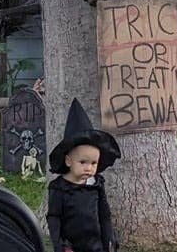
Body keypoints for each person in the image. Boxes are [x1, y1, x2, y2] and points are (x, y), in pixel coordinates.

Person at [47, 98, 121, 252]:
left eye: (94, 163)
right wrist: (60, 245)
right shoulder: (59, 188)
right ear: (69, 161)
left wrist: (109, 237)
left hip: (96, 245)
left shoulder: (97, 184)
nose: (89, 168)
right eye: (83, 162)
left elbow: (104, 214)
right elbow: (54, 218)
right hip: (71, 246)